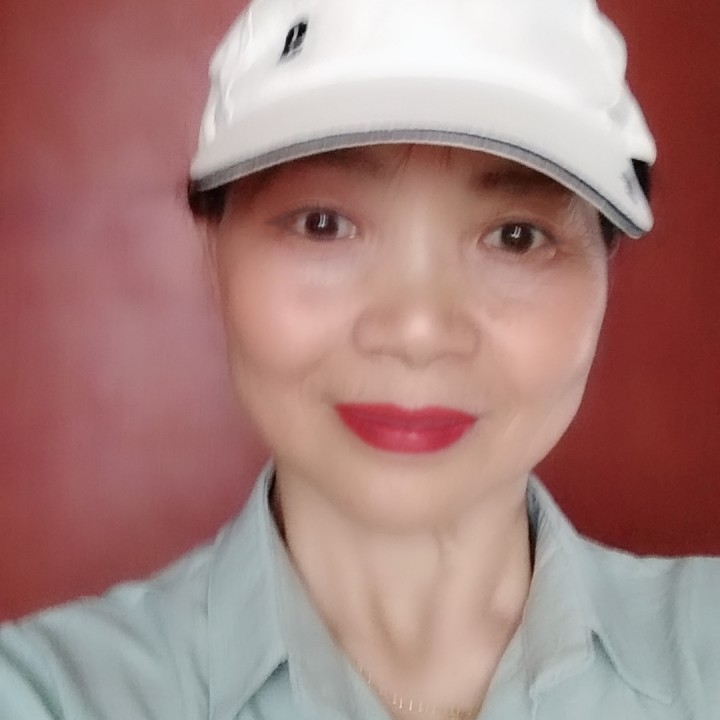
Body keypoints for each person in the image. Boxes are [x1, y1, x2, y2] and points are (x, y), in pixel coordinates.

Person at [1, 0, 719, 718]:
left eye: (516, 237)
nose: (416, 329)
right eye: (324, 224)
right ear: (213, 254)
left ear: (605, 271)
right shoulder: (49, 694)